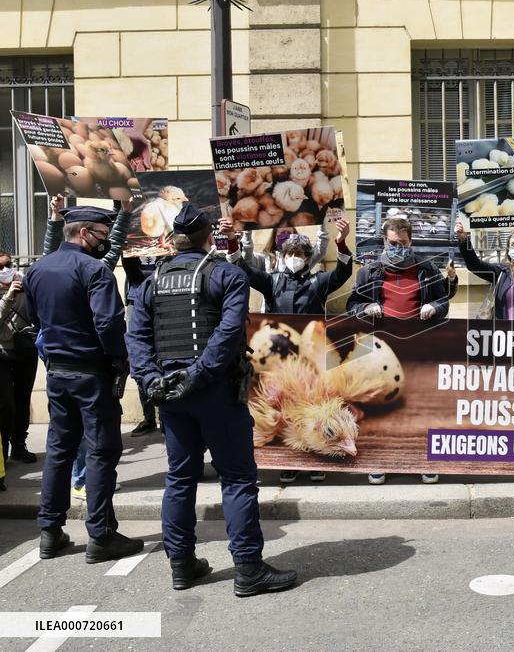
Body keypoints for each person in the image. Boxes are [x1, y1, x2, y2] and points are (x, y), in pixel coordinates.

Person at [126, 202, 297, 595]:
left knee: (180, 480)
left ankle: (182, 564)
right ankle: (248, 569)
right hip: (214, 391)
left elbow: (136, 337)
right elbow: (228, 333)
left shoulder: (151, 281)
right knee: (237, 479)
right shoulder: (226, 275)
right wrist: (198, 375)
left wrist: (152, 379)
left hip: (170, 392)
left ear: (173, 239)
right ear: (208, 238)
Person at [23, 206, 143, 563]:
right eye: (102, 236)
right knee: (102, 452)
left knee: (59, 451)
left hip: (57, 374)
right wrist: (120, 359)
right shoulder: (94, 270)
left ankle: (50, 531)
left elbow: (34, 319)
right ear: (84, 232)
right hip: (91, 373)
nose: (104, 243)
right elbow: (108, 323)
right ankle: (101, 534)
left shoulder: (37, 269)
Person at [242, 215, 353, 485]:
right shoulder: (272, 282)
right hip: (278, 361)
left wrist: (341, 242)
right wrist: (237, 239)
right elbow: (245, 269)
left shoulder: (318, 282)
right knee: (283, 412)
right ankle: (289, 465)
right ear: (282, 255)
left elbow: (342, 273)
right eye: (291, 253)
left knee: (314, 411)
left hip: (312, 361)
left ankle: (316, 464)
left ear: (308, 256)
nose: (296, 257)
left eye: (301, 253)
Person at [348, 217, 449, 485]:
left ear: (411, 241)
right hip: (380, 352)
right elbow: (353, 303)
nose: (398, 248)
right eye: (393, 244)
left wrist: (435, 308)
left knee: (418, 408)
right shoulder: (369, 272)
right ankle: (379, 461)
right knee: (381, 409)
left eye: (403, 244)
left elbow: (443, 301)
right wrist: (364, 309)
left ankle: (422, 460)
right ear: (384, 241)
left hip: (418, 348)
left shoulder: (426, 269)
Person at [1, 253, 38, 465]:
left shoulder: (23, 283)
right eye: (1, 267)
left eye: (8, 265)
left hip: (25, 349)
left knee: (23, 399)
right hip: (2, 353)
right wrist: (7, 298)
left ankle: (19, 445)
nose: (6, 270)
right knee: (6, 404)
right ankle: (2, 449)